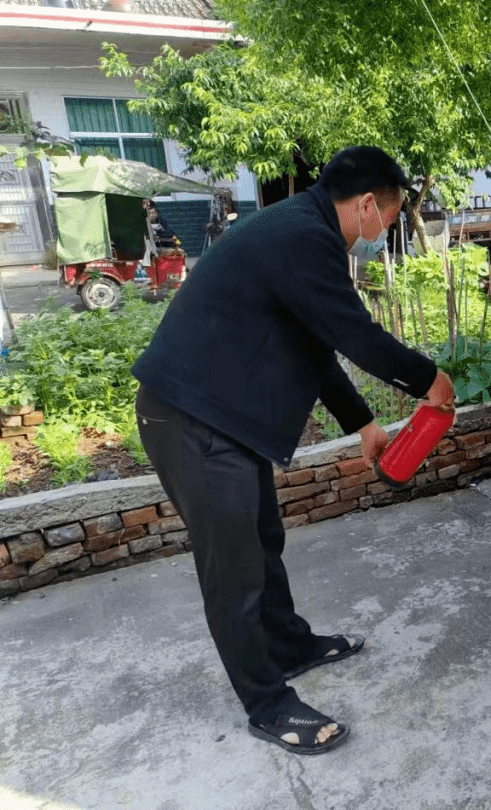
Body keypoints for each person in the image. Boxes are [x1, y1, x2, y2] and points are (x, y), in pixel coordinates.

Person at [131, 146, 455, 755]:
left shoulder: (299, 232)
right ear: (364, 205)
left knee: (262, 543)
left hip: (221, 419)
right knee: (235, 573)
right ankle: (268, 704)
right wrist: (428, 380)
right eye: (386, 219)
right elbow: (357, 334)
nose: (383, 232)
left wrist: (361, 422)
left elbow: (315, 343)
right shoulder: (302, 236)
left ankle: (290, 645)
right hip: (190, 419)